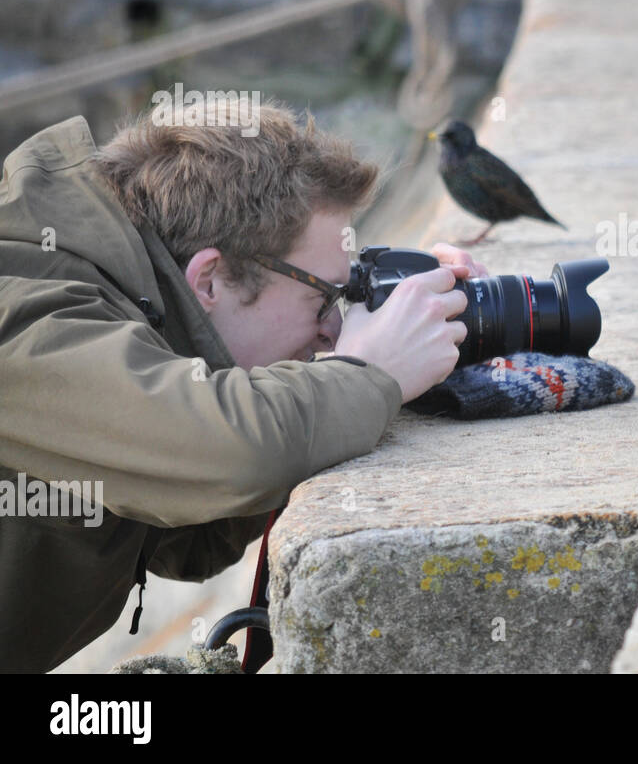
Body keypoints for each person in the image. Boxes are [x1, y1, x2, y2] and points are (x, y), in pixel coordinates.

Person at [0, 102, 482, 673]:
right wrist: (368, 374)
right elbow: (226, 452)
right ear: (209, 279)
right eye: (323, 297)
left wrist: (413, 342)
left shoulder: (124, 295)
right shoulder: (25, 317)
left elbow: (189, 542)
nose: (334, 330)